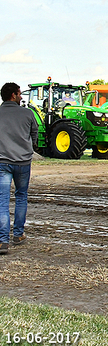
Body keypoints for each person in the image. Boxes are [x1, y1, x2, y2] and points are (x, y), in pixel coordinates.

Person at [0, 83, 38, 255]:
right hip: (23, 163)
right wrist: (28, 148)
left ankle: (2, 241)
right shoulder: (28, 113)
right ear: (13, 95)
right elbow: (34, 135)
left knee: (3, 200)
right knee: (21, 196)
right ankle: (18, 234)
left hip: (2, 163)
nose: (21, 97)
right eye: (20, 94)